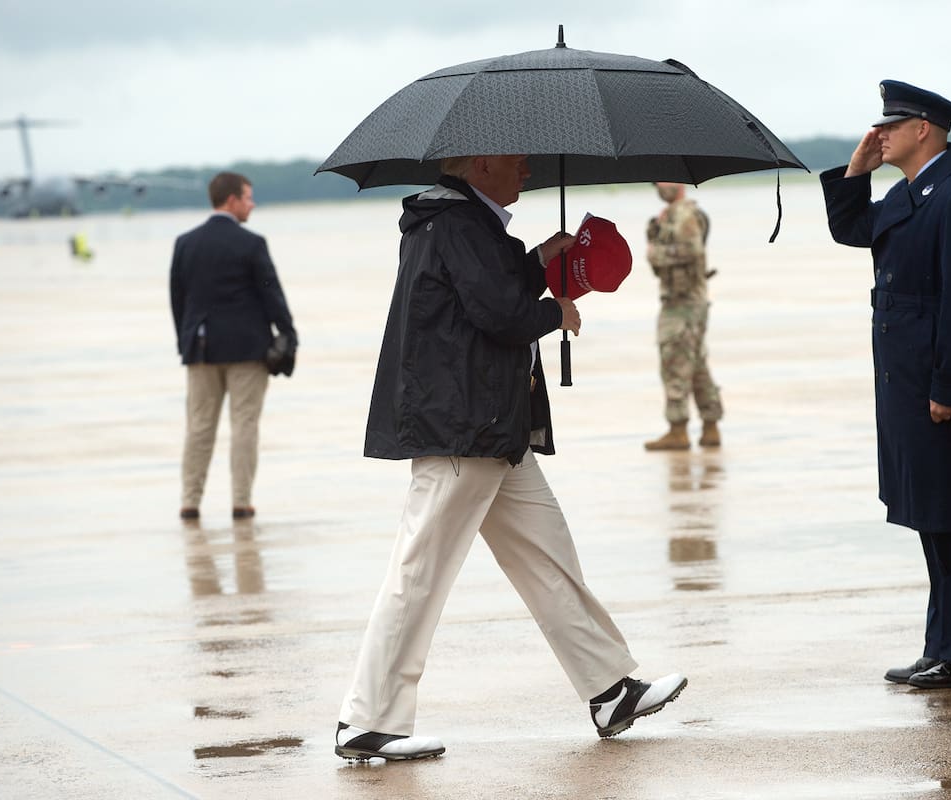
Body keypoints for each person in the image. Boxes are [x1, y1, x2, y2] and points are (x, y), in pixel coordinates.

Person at [335, 154, 687, 762]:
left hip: (494, 428)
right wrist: (557, 311)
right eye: (516, 162)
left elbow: (485, 292)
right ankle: (366, 721)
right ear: (476, 165)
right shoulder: (457, 225)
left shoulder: (464, 223)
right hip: (463, 430)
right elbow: (498, 315)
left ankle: (610, 689)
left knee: (549, 556)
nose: (526, 171)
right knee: (418, 573)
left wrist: (540, 258)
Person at [820, 81, 951, 689]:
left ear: (925, 130)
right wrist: (854, 172)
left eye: (892, 125)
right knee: (931, 516)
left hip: (942, 384)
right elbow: (853, 230)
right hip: (907, 380)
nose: (879, 134)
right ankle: (945, 642)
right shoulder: (911, 191)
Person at [170, 172, 296, 521]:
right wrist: (288, 336)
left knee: (198, 427)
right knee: (244, 426)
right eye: (248, 198)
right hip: (248, 350)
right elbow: (273, 296)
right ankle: (241, 502)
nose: (252, 204)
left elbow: (177, 301)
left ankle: (189, 502)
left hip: (201, 349)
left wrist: (186, 343)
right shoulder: (251, 244)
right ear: (231, 200)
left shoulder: (185, 243)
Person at [644, 182, 724, 450]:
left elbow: (692, 251)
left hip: (683, 303)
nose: (657, 185)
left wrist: (656, 252)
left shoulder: (685, 215)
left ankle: (678, 429)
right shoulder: (670, 216)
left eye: (662, 180)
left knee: (674, 362)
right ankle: (710, 425)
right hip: (687, 301)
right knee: (696, 364)